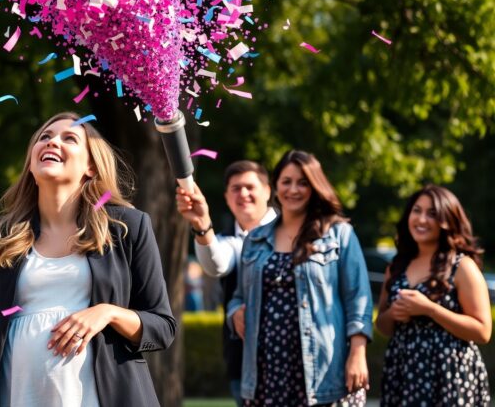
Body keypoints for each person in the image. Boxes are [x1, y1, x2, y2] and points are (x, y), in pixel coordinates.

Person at [0, 112, 176, 407]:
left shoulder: (127, 227)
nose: (52, 142)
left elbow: (162, 327)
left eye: (69, 138)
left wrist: (107, 313)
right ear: (31, 163)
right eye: (44, 137)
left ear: (91, 166)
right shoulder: (1, 238)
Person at [226, 150, 371, 406]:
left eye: (303, 182)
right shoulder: (255, 239)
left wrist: (358, 354)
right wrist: (235, 310)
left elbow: (358, 299)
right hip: (266, 372)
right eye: (287, 181)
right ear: (275, 186)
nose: (293, 189)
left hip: (323, 371)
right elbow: (239, 295)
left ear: (315, 186)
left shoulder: (339, 234)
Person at [376, 185, 490, 405]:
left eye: (432, 214)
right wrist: (394, 314)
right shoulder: (396, 267)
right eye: (416, 210)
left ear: (447, 220)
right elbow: (382, 325)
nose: (421, 219)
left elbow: (483, 332)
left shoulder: (462, 266)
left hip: (450, 375)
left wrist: (430, 309)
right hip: (403, 373)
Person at [176, 160, 276, 404]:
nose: (243, 194)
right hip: (243, 361)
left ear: (267, 191)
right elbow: (216, 264)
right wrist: (201, 225)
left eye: (250, 187)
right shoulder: (224, 240)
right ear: (227, 197)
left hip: (295, 355)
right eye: (236, 188)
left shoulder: (293, 232)